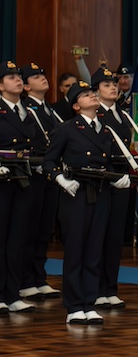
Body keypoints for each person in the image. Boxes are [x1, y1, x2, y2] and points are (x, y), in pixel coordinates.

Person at [43, 80, 116, 325]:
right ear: (76, 105)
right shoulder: (67, 129)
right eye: (85, 95)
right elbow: (49, 162)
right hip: (76, 194)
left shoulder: (104, 130)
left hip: (100, 192)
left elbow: (107, 164)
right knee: (75, 251)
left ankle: (89, 301)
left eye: (93, 93)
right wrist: (61, 180)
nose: (93, 96)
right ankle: (74, 305)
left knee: (95, 250)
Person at [0, 61, 46, 314]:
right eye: (10, 77)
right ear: (0, 85)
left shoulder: (29, 113)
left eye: (18, 76)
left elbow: (37, 145)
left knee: (18, 238)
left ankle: (12, 293)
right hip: (3, 181)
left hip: (24, 179)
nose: (17, 80)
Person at [19, 63, 62, 301]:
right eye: (36, 76)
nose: (43, 78)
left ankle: (38, 276)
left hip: (49, 173)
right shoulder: (26, 109)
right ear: (26, 86)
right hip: (33, 173)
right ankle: (26, 279)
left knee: (45, 227)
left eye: (43, 73)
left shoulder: (50, 110)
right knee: (30, 227)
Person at [93, 66, 134, 309]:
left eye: (114, 84)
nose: (113, 87)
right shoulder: (96, 115)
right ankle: (97, 287)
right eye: (107, 85)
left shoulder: (123, 115)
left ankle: (110, 287)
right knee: (100, 235)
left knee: (115, 236)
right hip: (102, 179)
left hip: (122, 179)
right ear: (96, 91)